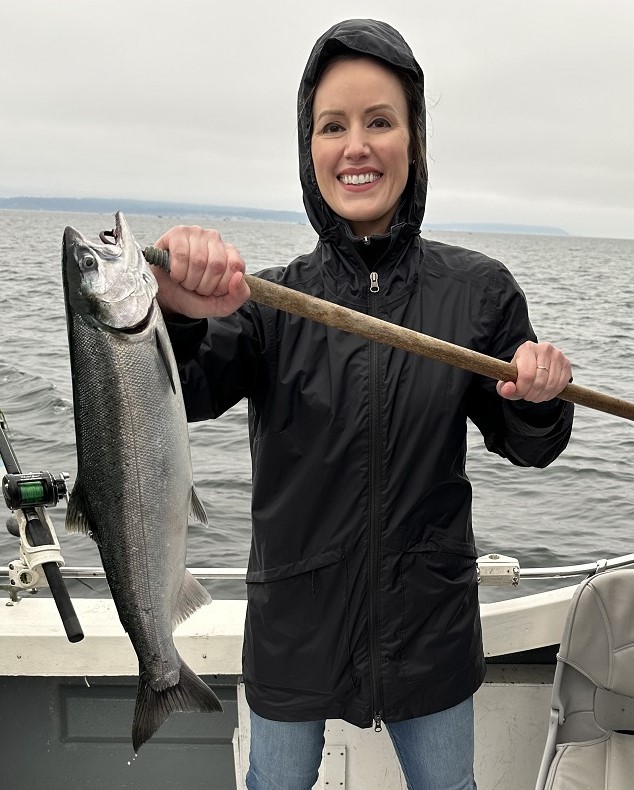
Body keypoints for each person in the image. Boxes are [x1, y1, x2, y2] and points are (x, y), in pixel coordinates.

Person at [152, 18, 574, 790]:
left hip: (431, 625)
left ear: (414, 141)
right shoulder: (266, 303)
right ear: (308, 150)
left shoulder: (478, 290)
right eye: (332, 126)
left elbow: (528, 443)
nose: (356, 146)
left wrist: (540, 396)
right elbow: (191, 391)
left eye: (380, 122)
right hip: (292, 626)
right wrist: (178, 316)